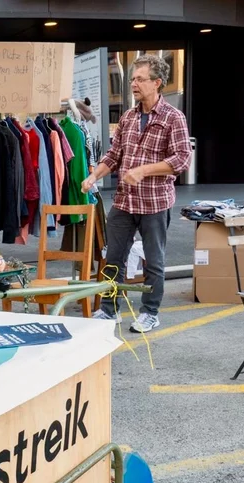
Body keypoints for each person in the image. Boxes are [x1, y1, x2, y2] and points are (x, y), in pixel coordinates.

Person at [81, 54, 191, 333]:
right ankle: (109, 310)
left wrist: (144, 170)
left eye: (140, 79)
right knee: (113, 256)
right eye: (132, 79)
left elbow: (181, 160)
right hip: (124, 201)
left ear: (157, 83)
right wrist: (94, 175)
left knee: (154, 261)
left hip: (155, 202)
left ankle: (150, 313)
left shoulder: (173, 117)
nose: (133, 83)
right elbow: (114, 155)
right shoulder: (128, 117)